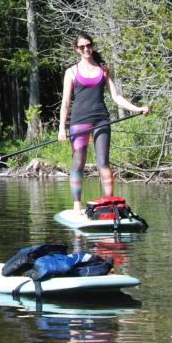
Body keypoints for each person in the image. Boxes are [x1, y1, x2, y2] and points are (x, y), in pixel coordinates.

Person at [57, 32, 148, 215]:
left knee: (103, 162)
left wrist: (137, 109)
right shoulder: (71, 72)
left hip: (101, 120)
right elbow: (66, 103)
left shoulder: (103, 70)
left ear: (92, 46)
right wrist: (61, 128)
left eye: (88, 45)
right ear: (77, 49)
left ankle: (109, 203)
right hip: (79, 122)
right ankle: (77, 206)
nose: (86, 49)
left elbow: (116, 96)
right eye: (81, 47)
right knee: (78, 163)